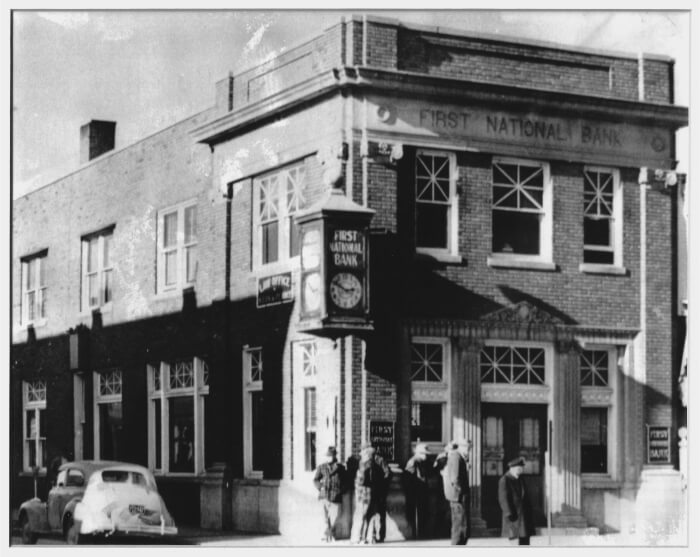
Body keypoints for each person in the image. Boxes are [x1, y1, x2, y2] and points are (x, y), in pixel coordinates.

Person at [498, 456, 534, 546]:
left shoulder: (521, 479)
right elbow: (503, 499)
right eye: (519, 468)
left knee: (525, 543)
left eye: (521, 468)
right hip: (513, 519)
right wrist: (509, 514)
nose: (521, 470)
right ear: (512, 468)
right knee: (514, 544)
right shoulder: (505, 480)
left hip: (524, 519)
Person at [313, 446, 346, 543]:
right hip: (324, 496)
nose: (329, 458)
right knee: (325, 518)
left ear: (335, 456)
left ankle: (328, 534)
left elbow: (346, 481)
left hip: (336, 496)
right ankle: (329, 535)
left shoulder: (340, 468)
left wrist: (341, 490)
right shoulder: (321, 467)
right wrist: (320, 487)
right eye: (327, 456)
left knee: (335, 517)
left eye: (331, 456)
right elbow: (315, 479)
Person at [351, 443, 382, 544]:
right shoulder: (362, 466)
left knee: (370, 516)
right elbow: (360, 481)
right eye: (370, 455)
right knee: (361, 516)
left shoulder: (374, 467)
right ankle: (357, 537)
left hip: (371, 494)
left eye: (372, 455)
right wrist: (364, 470)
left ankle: (367, 537)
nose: (371, 457)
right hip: (363, 495)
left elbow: (378, 480)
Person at [442, 440, 470, 545]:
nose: (468, 450)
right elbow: (455, 478)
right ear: (461, 447)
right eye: (467, 447)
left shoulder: (457, 457)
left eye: (469, 448)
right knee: (460, 525)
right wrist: (460, 493)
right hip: (458, 497)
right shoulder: (456, 457)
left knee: (461, 523)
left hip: (457, 497)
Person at [404, 442, 430, 539]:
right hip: (416, 494)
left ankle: (421, 533)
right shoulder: (413, 462)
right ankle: (416, 534)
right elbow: (408, 480)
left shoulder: (422, 463)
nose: (426, 456)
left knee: (423, 514)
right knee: (416, 516)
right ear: (418, 453)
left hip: (422, 493)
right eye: (424, 454)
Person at [370, 445, 391, 543]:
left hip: (379, 492)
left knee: (381, 515)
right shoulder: (365, 461)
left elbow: (387, 474)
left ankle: (381, 536)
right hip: (369, 492)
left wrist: (382, 486)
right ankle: (372, 535)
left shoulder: (380, 460)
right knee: (371, 515)